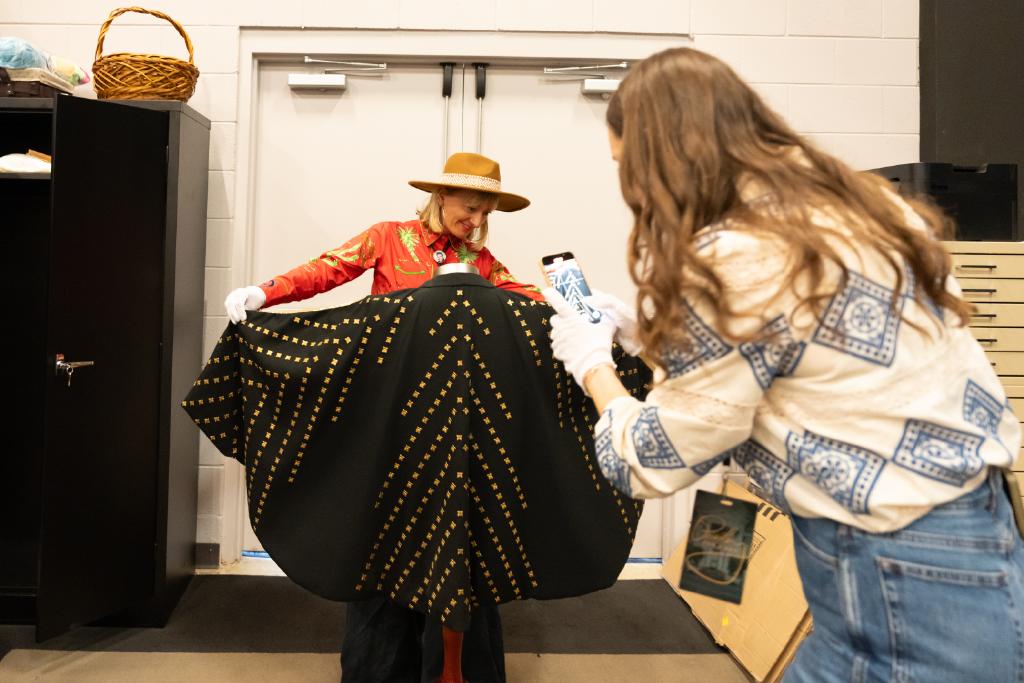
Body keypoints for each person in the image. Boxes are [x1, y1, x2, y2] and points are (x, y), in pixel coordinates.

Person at [545, 46, 1024, 682]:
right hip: (967, 527)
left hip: (894, 565)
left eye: (622, 163)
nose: (625, 185)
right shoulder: (862, 206)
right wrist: (648, 334)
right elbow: (811, 354)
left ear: (657, 159)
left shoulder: (732, 253)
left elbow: (650, 461)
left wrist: (591, 363)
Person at [225, 151, 541, 683]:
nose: (479, 221)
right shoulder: (389, 238)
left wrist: (580, 309)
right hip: (390, 424)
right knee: (383, 545)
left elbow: (525, 299)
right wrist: (267, 292)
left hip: (453, 430)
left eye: (487, 212)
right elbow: (329, 268)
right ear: (442, 197)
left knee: (456, 546)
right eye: (471, 208)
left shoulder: (480, 262)